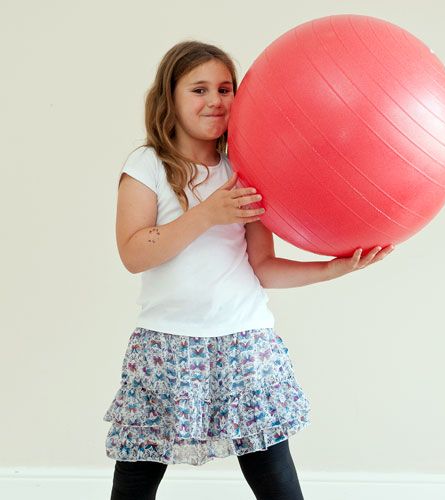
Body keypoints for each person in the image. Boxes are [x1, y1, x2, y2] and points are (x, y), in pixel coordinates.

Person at [103, 40, 394, 500]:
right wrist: (207, 213)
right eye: (199, 89)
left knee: (273, 471)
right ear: (170, 99)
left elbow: (262, 267)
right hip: (166, 345)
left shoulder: (245, 167)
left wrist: (332, 269)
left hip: (244, 342)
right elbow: (133, 253)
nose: (215, 100)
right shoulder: (148, 166)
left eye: (225, 88)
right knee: (138, 469)